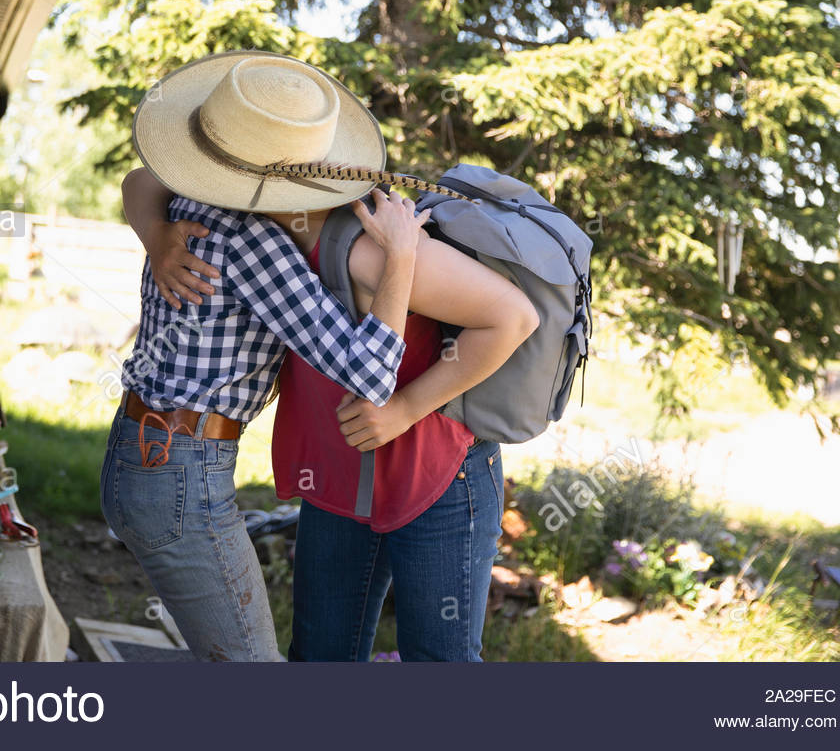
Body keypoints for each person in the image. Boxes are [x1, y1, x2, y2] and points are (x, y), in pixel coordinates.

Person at [128, 101, 539, 664]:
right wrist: (157, 235)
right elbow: (143, 181)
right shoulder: (234, 221)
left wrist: (405, 408)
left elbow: (514, 318)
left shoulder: (367, 247)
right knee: (321, 656)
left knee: (438, 658)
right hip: (336, 470)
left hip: (436, 473)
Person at [104, 50, 430, 661]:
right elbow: (372, 376)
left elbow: (140, 178)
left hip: (140, 451)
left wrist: (153, 235)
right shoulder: (251, 241)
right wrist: (403, 258)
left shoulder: (183, 205)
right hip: (182, 472)